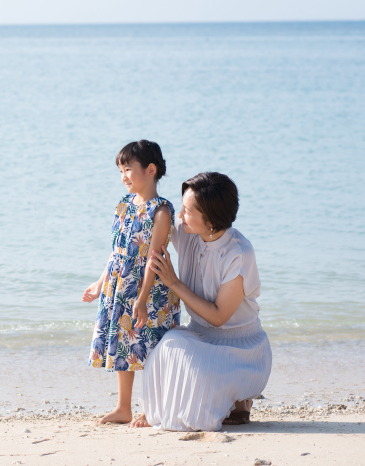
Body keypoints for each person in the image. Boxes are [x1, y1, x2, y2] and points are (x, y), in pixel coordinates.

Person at [133, 172, 272, 431]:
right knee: (168, 346)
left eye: (187, 211)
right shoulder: (186, 232)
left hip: (242, 348)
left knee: (199, 411)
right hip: (199, 336)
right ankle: (159, 408)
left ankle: (241, 398)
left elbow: (219, 317)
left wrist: (174, 283)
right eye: (182, 207)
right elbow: (152, 227)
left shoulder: (239, 252)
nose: (180, 216)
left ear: (210, 220)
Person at [82, 140, 181, 424]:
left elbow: (154, 256)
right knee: (124, 344)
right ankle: (124, 407)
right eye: (120, 170)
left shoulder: (161, 211)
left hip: (150, 288)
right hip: (119, 284)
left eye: (128, 169)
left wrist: (142, 298)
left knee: (148, 345)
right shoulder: (124, 204)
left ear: (151, 169)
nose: (123, 176)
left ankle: (151, 410)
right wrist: (101, 282)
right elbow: (117, 250)